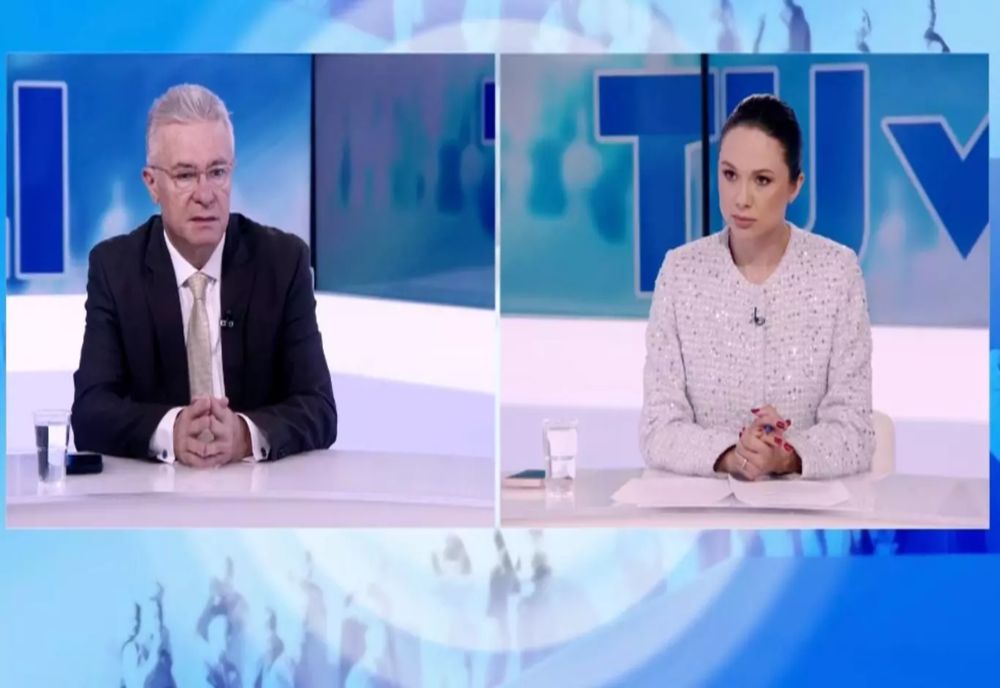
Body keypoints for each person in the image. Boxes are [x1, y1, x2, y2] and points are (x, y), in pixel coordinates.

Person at [71, 83, 337, 467]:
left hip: (260, 494)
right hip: (156, 496)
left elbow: (320, 408)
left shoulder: (282, 262)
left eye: (217, 172)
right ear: (152, 184)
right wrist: (171, 431)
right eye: (185, 175)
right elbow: (90, 412)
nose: (206, 194)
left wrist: (245, 435)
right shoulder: (116, 269)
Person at [640, 94, 875, 480]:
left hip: (807, 510)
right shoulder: (681, 273)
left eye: (762, 180)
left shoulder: (836, 273)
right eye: (729, 175)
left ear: (795, 185)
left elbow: (855, 434)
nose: (741, 198)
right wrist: (732, 455)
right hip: (702, 508)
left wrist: (787, 456)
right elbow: (658, 428)